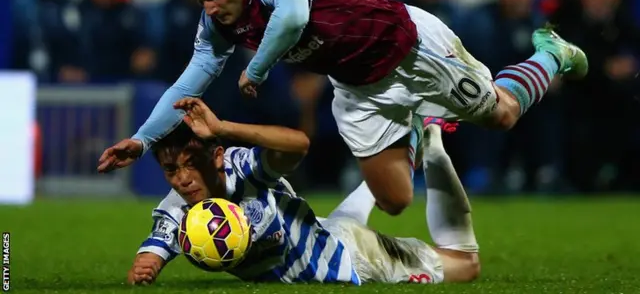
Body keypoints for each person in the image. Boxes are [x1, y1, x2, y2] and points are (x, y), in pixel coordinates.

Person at [99, 0, 588, 217]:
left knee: (501, 115)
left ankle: (551, 54)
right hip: (358, 84)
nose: (209, 8)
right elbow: (188, 85)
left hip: (408, 49)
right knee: (395, 201)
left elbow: (291, 18)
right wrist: (141, 141)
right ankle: (421, 122)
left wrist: (257, 67)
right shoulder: (218, 21)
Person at [128, 98, 479, 285]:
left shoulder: (244, 169)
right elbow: (152, 254)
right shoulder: (177, 209)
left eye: (191, 164)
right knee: (358, 209)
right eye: (171, 170)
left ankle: (432, 142)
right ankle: (416, 131)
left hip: (348, 259)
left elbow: (297, 145)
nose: (182, 179)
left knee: (466, 267)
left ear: (217, 157)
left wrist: (224, 128)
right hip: (324, 229)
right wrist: (146, 267)